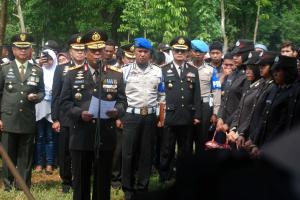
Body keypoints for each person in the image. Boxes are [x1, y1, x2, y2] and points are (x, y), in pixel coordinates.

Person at [60, 29, 126, 200]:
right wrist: (79, 113)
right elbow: (65, 103)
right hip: (81, 134)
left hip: (105, 133)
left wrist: (117, 111)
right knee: (81, 182)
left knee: (103, 183)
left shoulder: (115, 74)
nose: (97, 54)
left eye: (100, 50)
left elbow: (123, 101)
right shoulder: (73, 74)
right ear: (86, 51)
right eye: (93, 51)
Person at [0, 33, 45, 190]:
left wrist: (37, 97)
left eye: (26, 48)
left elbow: (42, 92)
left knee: (26, 154)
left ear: (30, 50)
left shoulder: (37, 70)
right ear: (13, 49)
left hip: (27, 117)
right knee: (8, 153)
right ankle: (8, 184)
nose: (23, 51)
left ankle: (23, 184)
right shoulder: (4, 69)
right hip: (8, 117)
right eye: (20, 48)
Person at [121, 37, 165, 200]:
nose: (142, 55)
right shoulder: (125, 71)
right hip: (131, 115)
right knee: (128, 153)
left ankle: (143, 186)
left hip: (150, 117)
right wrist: (120, 116)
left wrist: (161, 117)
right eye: (139, 51)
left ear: (149, 54)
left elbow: (162, 95)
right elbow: (120, 96)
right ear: (134, 52)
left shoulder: (157, 71)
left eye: (145, 52)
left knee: (146, 152)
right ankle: (128, 187)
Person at [159, 36, 201, 182]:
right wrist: (161, 116)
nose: (179, 53)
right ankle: (165, 175)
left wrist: (197, 115)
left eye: (183, 51)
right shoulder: (163, 70)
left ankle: (184, 175)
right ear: (172, 51)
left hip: (187, 115)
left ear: (188, 53)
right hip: (170, 115)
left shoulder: (193, 70)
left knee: (186, 148)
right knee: (167, 148)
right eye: (177, 50)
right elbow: (161, 94)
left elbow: (197, 94)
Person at [51, 33, 86, 193]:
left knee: (82, 149)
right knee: (65, 150)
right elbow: (56, 95)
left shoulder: (91, 68)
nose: (80, 53)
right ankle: (66, 181)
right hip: (65, 117)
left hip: (84, 116)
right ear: (70, 52)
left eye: (82, 50)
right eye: (76, 50)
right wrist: (55, 118)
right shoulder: (61, 69)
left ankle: (81, 178)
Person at [251, 55, 298, 156]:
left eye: (279, 71)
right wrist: (255, 142)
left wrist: (266, 148)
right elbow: (263, 118)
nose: (275, 74)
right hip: (260, 145)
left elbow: (281, 125)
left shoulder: (292, 93)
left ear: (288, 72)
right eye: (274, 70)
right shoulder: (274, 89)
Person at [226, 51, 262, 145]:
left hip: (247, 136)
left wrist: (240, 132)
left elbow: (252, 114)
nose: (247, 71)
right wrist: (233, 128)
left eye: (251, 68)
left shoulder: (262, 88)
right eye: (246, 68)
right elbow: (239, 109)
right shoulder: (250, 85)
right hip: (237, 135)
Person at [218, 39, 254, 126]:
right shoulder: (233, 73)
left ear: (247, 55)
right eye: (234, 54)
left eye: (238, 55)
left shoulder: (248, 76)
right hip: (223, 121)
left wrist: (228, 123)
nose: (235, 57)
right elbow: (225, 98)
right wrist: (220, 117)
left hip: (235, 124)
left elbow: (242, 106)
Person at [34, 49, 57, 174]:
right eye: (44, 58)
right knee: (39, 136)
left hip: (52, 107)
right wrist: (39, 65)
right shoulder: (37, 70)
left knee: (50, 136)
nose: (47, 61)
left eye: (49, 58)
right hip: (39, 105)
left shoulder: (57, 72)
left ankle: (49, 163)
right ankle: (38, 163)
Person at [189, 39, 213, 151]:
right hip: (188, 105)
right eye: (195, 51)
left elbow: (216, 92)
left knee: (202, 137)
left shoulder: (211, 70)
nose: (197, 54)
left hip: (204, 106)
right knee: (187, 137)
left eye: (200, 52)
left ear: (204, 54)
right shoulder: (185, 68)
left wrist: (215, 112)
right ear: (190, 52)